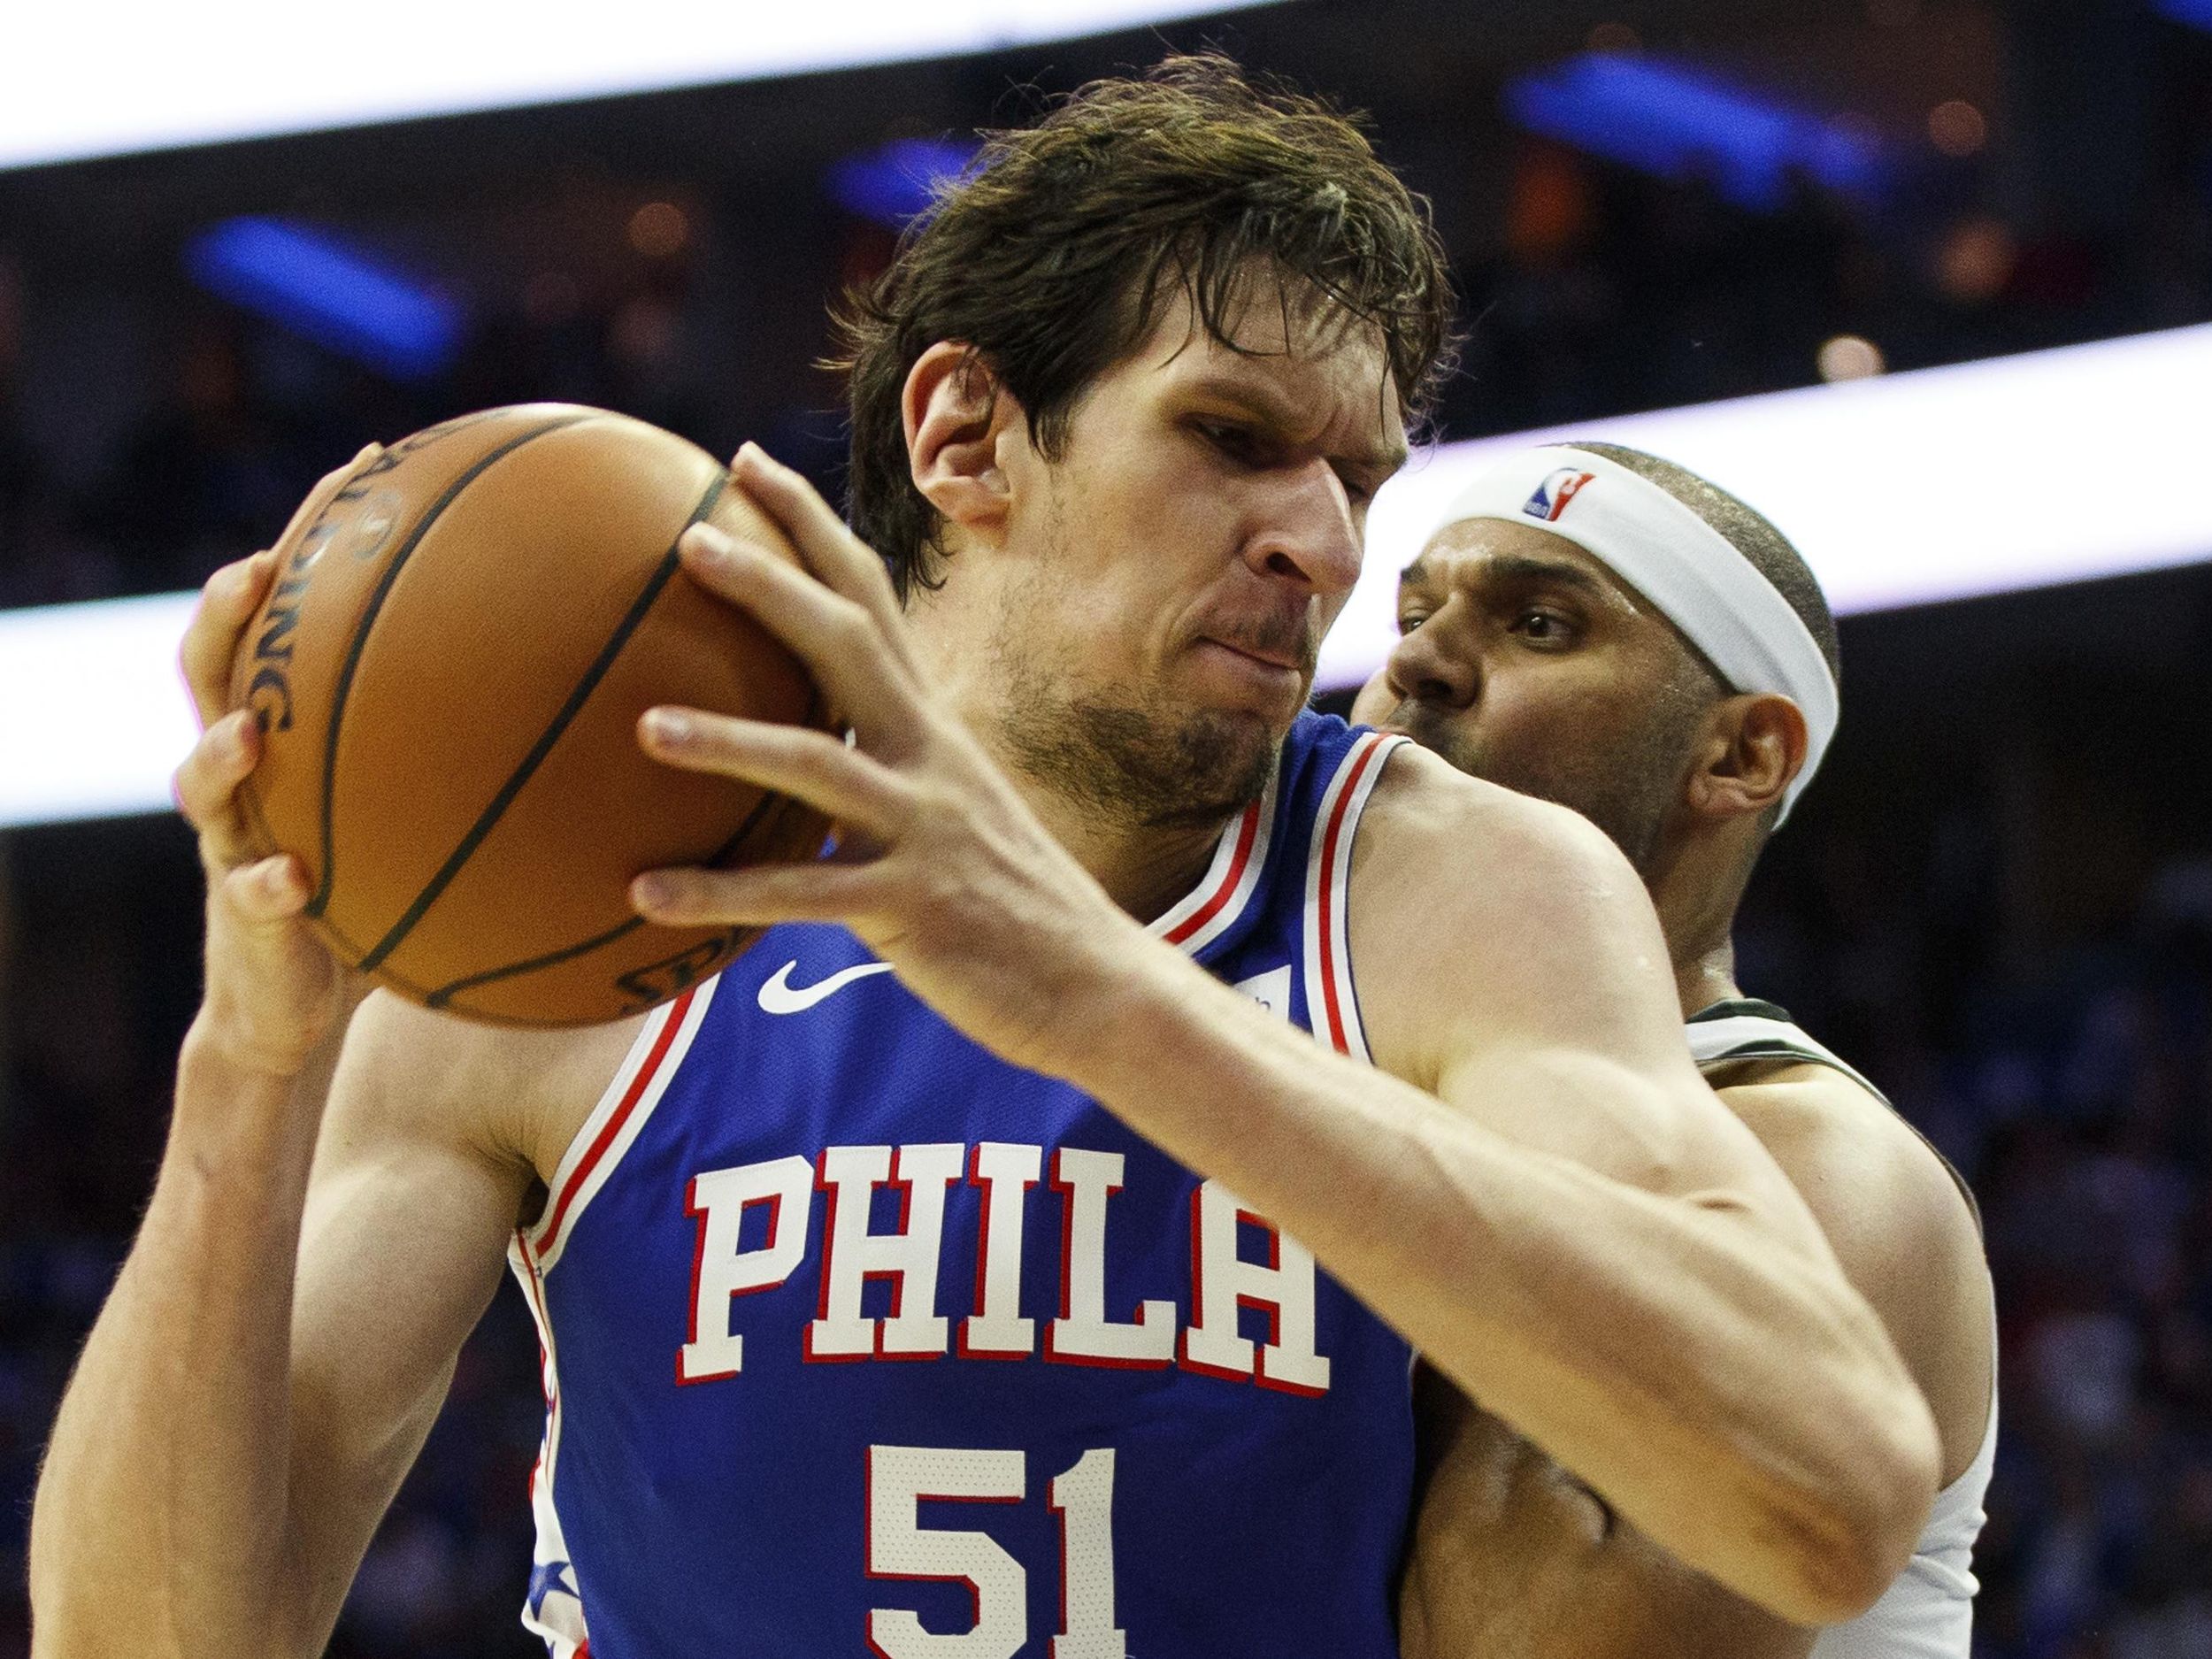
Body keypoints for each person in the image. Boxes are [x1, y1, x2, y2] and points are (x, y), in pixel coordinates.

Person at [30, 61, 1938, 1657]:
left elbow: (1827, 1490)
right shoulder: (602, 904)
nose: (1320, 543)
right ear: (964, 432)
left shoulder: (1452, 890)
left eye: (1351, 478)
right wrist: (250, 1064)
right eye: (1230, 436)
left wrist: (1093, 995)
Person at [1352, 442, 1996, 1658]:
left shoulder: (1810, 1166)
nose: (1418, 662)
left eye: (1538, 625)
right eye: (1417, 610)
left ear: (1740, 757)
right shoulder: (1367, 1070)